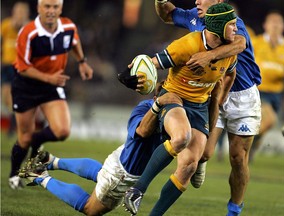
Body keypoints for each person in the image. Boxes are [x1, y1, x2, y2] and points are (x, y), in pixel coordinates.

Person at [123, 3, 238, 215]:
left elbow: (230, 73)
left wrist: (221, 97)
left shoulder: (230, 51)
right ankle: (137, 190)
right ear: (219, 27)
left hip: (200, 107)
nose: (236, 29)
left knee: (188, 166)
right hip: (174, 99)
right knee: (180, 138)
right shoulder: (187, 45)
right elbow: (153, 62)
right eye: (232, 25)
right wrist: (132, 74)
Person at [154, 0, 262, 215]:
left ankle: (234, 209)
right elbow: (168, 15)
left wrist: (209, 55)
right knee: (203, 154)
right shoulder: (195, 15)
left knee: (238, 157)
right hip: (211, 92)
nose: (197, 1)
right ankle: (201, 161)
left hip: (243, 96)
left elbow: (239, 45)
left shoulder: (232, 22)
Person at [18, 83, 183, 215]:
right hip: (125, 173)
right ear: (155, 98)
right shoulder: (144, 108)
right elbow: (142, 131)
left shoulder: (177, 117)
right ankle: (39, 176)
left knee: (100, 173)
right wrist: (158, 105)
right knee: (90, 208)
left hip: (122, 159)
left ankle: (51, 161)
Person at [8, 0, 94, 190]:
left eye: (55, 7)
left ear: (60, 8)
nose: (51, 11)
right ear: (38, 8)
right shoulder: (28, 33)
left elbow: (74, 41)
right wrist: (49, 78)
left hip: (51, 85)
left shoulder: (68, 26)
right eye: (47, 6)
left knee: (62, 131)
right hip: (26, 87)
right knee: (24, 137)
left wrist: (82, 61)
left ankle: (37, 145)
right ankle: (14, 175)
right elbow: (22, 68)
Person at [249, 11, 284, 162]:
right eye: (273, 22)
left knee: (264, 127)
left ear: (283, 26)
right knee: (269, 120)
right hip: (258, 89)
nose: (275, 25)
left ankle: (251, 143)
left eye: (279, 22)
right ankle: (248, 141)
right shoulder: (257, 42)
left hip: (277, 93)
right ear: (265, 25)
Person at [1, 2, 30, 136]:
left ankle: (18, 121)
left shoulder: (29, 27)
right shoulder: (6, 25)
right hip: (6, 65)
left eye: (22, 12)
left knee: (17, 94)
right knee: (5, 96)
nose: (19, 14)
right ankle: (14, 116)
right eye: (17, 11)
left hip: (20, 66)